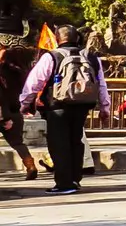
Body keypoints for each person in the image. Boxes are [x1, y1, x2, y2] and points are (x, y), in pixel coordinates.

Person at [18, 25, 110, 195]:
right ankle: (75, 178)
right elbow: (101, 83)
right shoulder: (91, 57)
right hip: (82, 105)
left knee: (59, 144)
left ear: (58, 39)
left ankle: (64, 183)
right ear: (77, 38)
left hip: (57, 106)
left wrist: (25, 103)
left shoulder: (51, 56)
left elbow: (35, 82)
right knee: (76, 140)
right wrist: (105, 107)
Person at [1, 45, 38, 181]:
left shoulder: (2, 72)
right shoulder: (22, 73)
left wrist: (4, 117)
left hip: (3, 113)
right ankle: (30, 166)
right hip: (16, 112)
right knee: (18, 143)